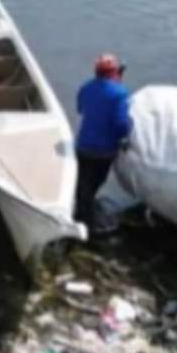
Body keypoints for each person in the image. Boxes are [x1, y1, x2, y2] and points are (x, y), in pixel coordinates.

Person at [74, 54, 132, 233]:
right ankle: (87, 224)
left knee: (83, 182)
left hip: (83, 147)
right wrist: (127, 132)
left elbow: (80, 109)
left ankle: (81, 214)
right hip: (104, 151)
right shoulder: (119, 93)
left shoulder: (85, 87)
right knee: (95, 182)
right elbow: (121, 125)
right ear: (114, 73)